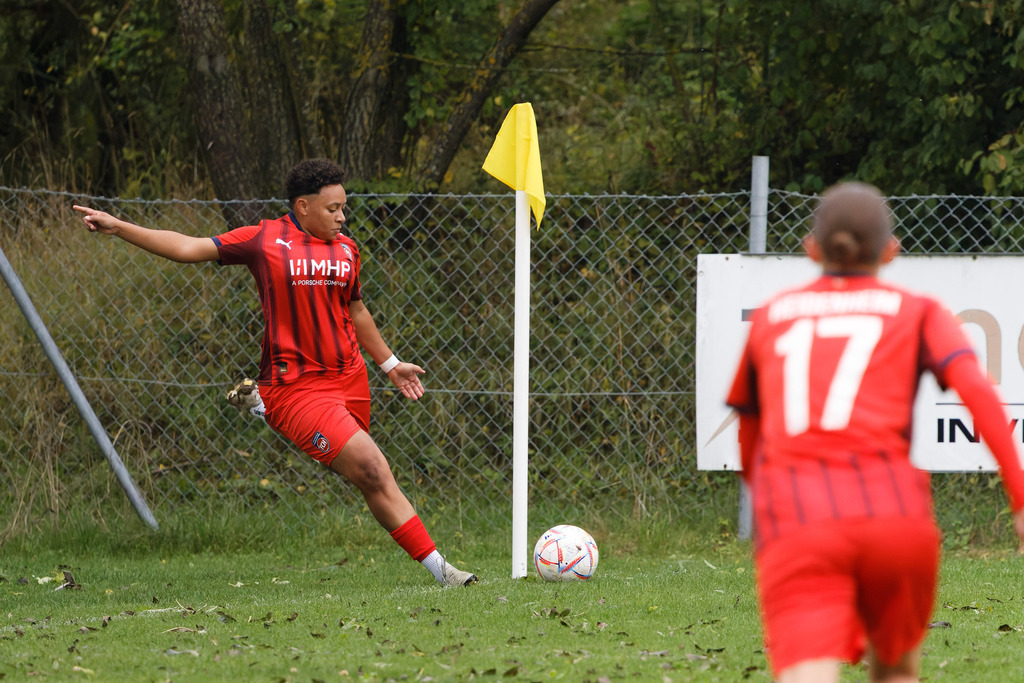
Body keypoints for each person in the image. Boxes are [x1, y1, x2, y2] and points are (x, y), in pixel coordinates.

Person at [73, 158, 477, 587]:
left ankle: (262, 408)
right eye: (332, 209)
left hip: (350, 377)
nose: (342, 217)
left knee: (362, 475)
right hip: (298, 386)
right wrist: (121, 228)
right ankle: (444, 573)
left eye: (344, 208)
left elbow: (355, 309)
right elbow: (188, 247)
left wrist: (391, 364)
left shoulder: (347, 249)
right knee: (373, 468)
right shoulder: (265, 239)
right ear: (302, 206)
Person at [726, 181, 1024, 682]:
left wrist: (765, 502)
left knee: (806, 669)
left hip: (801, 521)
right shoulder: (919, 311)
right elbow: (980, 396)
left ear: (811, 248)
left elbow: (748, 431)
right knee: (895, 668)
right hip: (896, 519)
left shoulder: (772, 316)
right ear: (891, 251)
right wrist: (1020, 499)